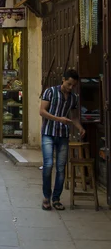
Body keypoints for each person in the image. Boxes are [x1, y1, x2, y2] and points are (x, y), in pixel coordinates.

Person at [40, 69, 85, 211]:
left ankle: (56, 199)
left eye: (73, 85)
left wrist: (79, 128)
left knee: (61, 168)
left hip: (63, 135)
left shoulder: (73, 98)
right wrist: (59, 119)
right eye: (69, 84)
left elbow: (74, 116)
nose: (70, 88)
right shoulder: (50, 92)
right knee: (48, 165)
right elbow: (42, 111)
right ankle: (46, 197)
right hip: (48, 133)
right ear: (63, 80)